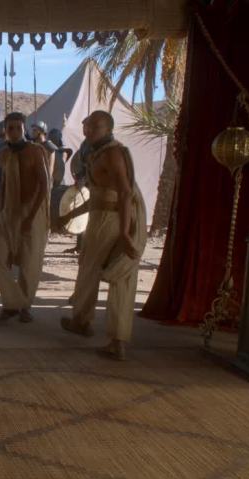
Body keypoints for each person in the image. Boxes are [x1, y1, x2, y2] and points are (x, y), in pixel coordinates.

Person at [59, 110, 147, 361]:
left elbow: (125, 192)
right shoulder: (96, 153)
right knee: (89, 267)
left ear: (108, 129)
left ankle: (116, 340)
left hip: (114, 219)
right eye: (87, 125)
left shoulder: (113, 153)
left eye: (95, 127)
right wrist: (71, 214)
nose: (88, 130)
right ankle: (82, 321)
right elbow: (98, 196)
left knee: (117, 275)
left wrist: (125, 233)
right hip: (102, 217)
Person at [0, 112, 49, 323]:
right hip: (9, 212)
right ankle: (13, 303)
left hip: (32, 210)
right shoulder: (3, 154)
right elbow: (3, 184)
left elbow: (44, 185)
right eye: (10, 128)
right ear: (5, 131)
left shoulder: (35, 151)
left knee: (29, 262)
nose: (14, 132)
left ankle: (24, 307)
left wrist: (30, 217)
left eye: (18, 127)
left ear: (24, 129)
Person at [64, 118, 91, 254]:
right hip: (84, 183)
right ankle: (80, 246)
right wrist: (79, 178)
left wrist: (85, 178)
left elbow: (95, 166)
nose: (84, 129)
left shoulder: (96, 145)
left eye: (86, 126)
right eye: (83, 126)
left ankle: (88, 247)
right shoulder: (86, 143)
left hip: (95, 185)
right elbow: (80, 162)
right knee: (82, 214)